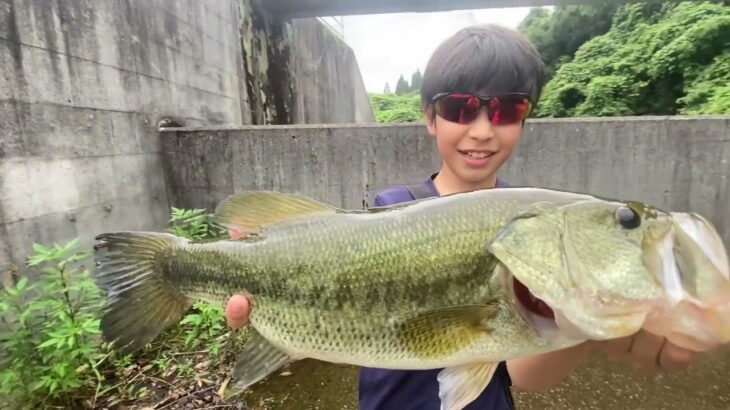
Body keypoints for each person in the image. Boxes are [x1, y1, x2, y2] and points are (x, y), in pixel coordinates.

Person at [223, 24, 697, 409]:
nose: (482, 130)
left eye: (507, 109)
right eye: (460, 108)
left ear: (525, 120)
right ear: (430, 117)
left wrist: (586, 320)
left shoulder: (533, 236)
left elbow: (527, 375)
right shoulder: (393, 208)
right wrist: (275, 279)